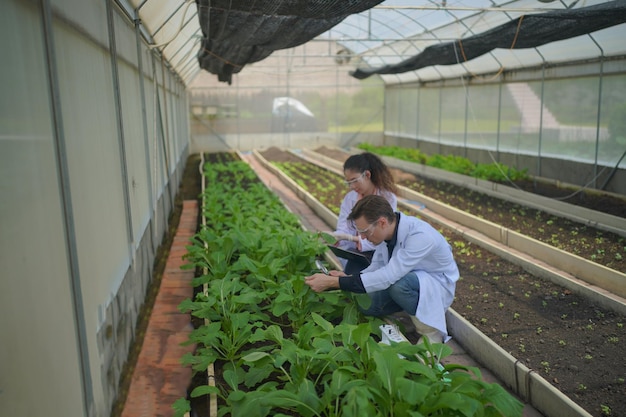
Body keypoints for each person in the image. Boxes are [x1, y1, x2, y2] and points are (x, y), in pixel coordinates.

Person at [307, 195, 459, 343]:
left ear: (382, 222)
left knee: (400, 286)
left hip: (435, 285)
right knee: (367, 305)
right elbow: (376, 267)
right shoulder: (386, 235)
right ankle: (408, 317)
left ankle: (431, 332)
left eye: (365, 232)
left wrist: (336, 283)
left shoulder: (420, 236)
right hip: (405, 278)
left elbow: (388, 276)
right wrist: (346, 277)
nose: (363, 238)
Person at [333, 152, 398, 275]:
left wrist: (353, 238)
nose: (352, 186)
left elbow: (384, 235)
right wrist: (336, 237)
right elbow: (344, 228)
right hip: (356, 253)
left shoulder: (387, 198)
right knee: (353, 273)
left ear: (367, 175)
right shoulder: (350, 199)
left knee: (362, 279)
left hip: (378, 252)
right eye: (348, 183)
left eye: (354, 181)